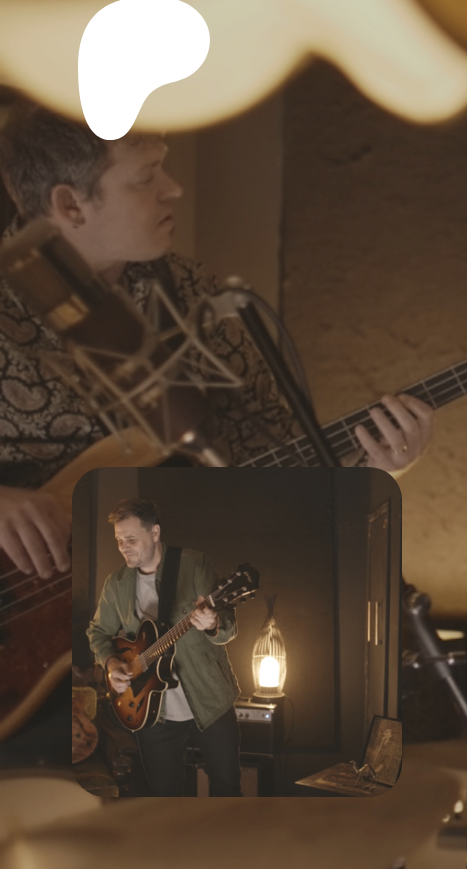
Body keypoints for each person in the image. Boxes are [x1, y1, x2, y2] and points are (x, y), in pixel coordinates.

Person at [0, 101, 435, 581]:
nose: (173, 188)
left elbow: (267, 452)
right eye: (145, 178)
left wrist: (372, 468)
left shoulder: (190, 292)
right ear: (70, 205)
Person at [86, 498, 240, 795]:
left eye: (131, 539)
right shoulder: (116, 583)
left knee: (228, 791)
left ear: (155, 532)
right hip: (149, 710)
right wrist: (111, 663)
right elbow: (98, 632)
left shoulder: (194, 564)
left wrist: (212, 623)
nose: (124, 547)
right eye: (119, 540)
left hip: (210, 700)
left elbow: (228, 627)